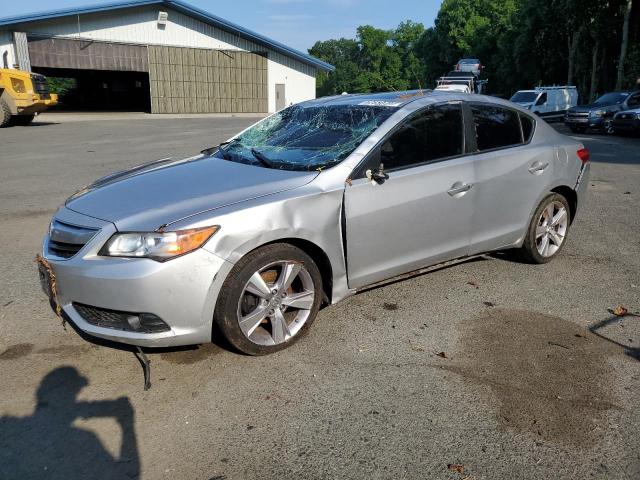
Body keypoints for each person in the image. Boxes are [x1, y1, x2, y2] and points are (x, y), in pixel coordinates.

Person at [0, 367, 139, 479]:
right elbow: (125, 472)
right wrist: (128, 423)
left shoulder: (12, 429)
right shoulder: (86, 437)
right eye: (76, 391)